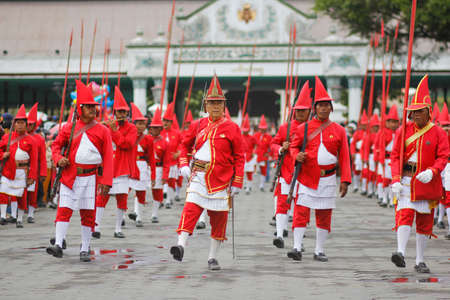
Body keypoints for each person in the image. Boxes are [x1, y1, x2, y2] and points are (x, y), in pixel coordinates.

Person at [169, 75, 245, 270]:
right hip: (199, 176)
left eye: (219, 103)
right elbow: (184, 144)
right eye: (212, 103)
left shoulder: (232, 128)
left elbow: (239, 157)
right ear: (205, 105)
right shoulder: (197, 125)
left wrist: (236, 182)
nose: (216, 106)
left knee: (218, 219)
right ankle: (181, 245)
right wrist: (184, 164)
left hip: (222, 179)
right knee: (190, 208)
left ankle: (212, 257)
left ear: (224, 105)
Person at [46, 80, 113, 261]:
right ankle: (59, 244)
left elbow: (108, 158)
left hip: (91, 178)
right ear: (80, 109)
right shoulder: (69, 128)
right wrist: (59, 159)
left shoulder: (103, 130)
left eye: (94, 107)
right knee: (64, 209)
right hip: (70, 176)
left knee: (88, 214)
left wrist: (107, 182)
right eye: (88, 107)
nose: (93, 109)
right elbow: (56, 146)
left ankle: (85, 248)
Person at [390, 75, 449, 273]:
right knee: (404, 214)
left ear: (428, 112)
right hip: (407, 179)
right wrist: (396, 179)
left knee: (424, 220)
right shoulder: (403, 131)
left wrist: (433, 171)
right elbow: (396, 157)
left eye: (419, 112)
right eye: (412, 112)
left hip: (427, 181)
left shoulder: (439, 133)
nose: (415, 115)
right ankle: (400, 252)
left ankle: (420, 260)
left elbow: (443, 156)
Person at [289, 76, 351, 262]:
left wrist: (345, 180)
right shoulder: (304, 128)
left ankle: (319, 250)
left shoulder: (339, 130)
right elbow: (293, 146)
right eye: (320, 105)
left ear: (331, 108)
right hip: (307, 177)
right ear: (314, 108)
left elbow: (345, 157)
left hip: (328, 178)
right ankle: (297, 247)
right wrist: (295, 155)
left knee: (324, 215)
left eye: (327, 105)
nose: (323, 108)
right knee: (301, 213)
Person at [271, 81, 312, 249]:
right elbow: (273, 144)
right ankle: (280, 235)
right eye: (298, 111)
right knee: (282, 203)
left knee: (300, 207)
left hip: (305, 173)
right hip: (286, 171)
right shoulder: (285, 128)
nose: (300, 113)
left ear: (309, 111)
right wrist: (281, 148)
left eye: (304, 110)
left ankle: (298, 242)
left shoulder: (313, 128)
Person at [94, 86, 137, 239]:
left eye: (124, 112)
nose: (121, 114)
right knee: (102, 197)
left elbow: (126, 144)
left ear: (127, 113)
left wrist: (114, 130)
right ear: (114, 112)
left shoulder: (132, 128)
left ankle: (118, 228)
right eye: (119, 111)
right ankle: (96, 227)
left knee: (122, 199)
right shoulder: (105, 126)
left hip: (122, 168)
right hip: (107, 168)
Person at [0, 105, 38, 227]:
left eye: (23, 122)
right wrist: (2, 155)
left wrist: (32, 175)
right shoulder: (7, 137)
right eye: (18, 123)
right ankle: (2, 216)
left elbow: (34, 160)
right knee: (3, 192)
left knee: (22, 196)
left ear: (26, 124)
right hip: (8, 170)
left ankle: (20, 219)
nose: (20, 125)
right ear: (14, 124)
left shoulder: (31, 140)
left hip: (23, 171)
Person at [128, 103, 155, 227]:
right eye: (138, 123)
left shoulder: (148, 139)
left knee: (140, 192)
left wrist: (153, 175)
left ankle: (138, 215)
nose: (141, 126)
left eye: (143, 124)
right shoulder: (128, 136)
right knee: (124, 191)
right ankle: (122, 215)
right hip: (129, 164)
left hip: (142, 166)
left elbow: (151, 158)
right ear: (134, 124)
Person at [25, 103, 47, 223]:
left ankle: (31, 214)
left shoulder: (40, 138)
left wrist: (43, 173)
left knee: (32, 192)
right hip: (19, 169)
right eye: (27, 123)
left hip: (34, 169)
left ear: (35, 124)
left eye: (31, 124)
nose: (28, 126)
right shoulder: (19, 136)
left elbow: (42, 158)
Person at [147, 108, 170, 223]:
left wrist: (165, 175)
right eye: (153, 127)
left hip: (158, 169)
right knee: (139, 190)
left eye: (157, 127)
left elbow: (166, 162)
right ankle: (137, 213)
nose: (154, 130)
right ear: (150, 128)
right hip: (146, 168)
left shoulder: (165, 143)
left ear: (161, 129)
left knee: (157, 192)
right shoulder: (145, 139)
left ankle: (154, 214)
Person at [161, 102, 181, 209]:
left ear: (171, 122)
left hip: (173, 162)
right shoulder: (159, 132)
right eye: (164, 120)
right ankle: (162, 199)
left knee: (171, 181)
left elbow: (182, 145)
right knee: (163, 180)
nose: (165, 123)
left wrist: (178, 153)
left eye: (168, 121)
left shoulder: (176, 133)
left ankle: (168, 199)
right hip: (162, 162)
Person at [350, 111, 368, 193]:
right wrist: (353, 153)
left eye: (365, 124)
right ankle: (356, 185)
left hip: (365, 154)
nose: (364, 126)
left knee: (365, 171)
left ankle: (364, 188)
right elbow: (353, 144)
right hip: (358, 154)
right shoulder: (357, 133)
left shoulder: (369, 133)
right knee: (356, 170)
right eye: (363, 124)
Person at [253, 115, 272, 191]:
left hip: (264, 156)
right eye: (261, 129)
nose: (262, 130)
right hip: (256, 155)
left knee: (263, 171)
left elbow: (271, 146)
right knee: (250, 170)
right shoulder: (255, 135)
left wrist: (269, 154)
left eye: (264, 129)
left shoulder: (269, 137)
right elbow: (251, 144)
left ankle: (262, 185)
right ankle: (248, 184)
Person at [241, 114, 257, 195]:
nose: (245, 131)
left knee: (249, 173)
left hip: (250, 157)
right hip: (242, 157)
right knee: (241, 173)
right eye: (244, 129)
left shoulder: (252, 137)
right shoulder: (240, 137)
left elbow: (256, 145)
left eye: (246, 129)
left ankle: (248, 187)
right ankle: (245, 185)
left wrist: (254, 152)